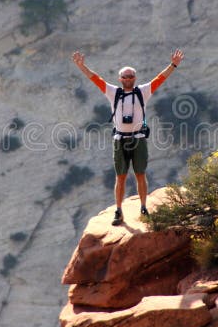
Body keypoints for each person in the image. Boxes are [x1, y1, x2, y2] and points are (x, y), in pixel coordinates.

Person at [72, 49, 184, 225]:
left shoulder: (143, 92)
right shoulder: (113, 92)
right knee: (121, 176)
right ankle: (118, 210)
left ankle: (144, 207)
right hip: (120, 139)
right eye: (125, 77)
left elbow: (160, 79)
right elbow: (96, 79)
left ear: (135, 78)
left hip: (138, 138)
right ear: (120, 79)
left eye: (131, 76)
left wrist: (173, 64)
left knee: (140, 174)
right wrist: (82, 66)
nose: (128, 79)